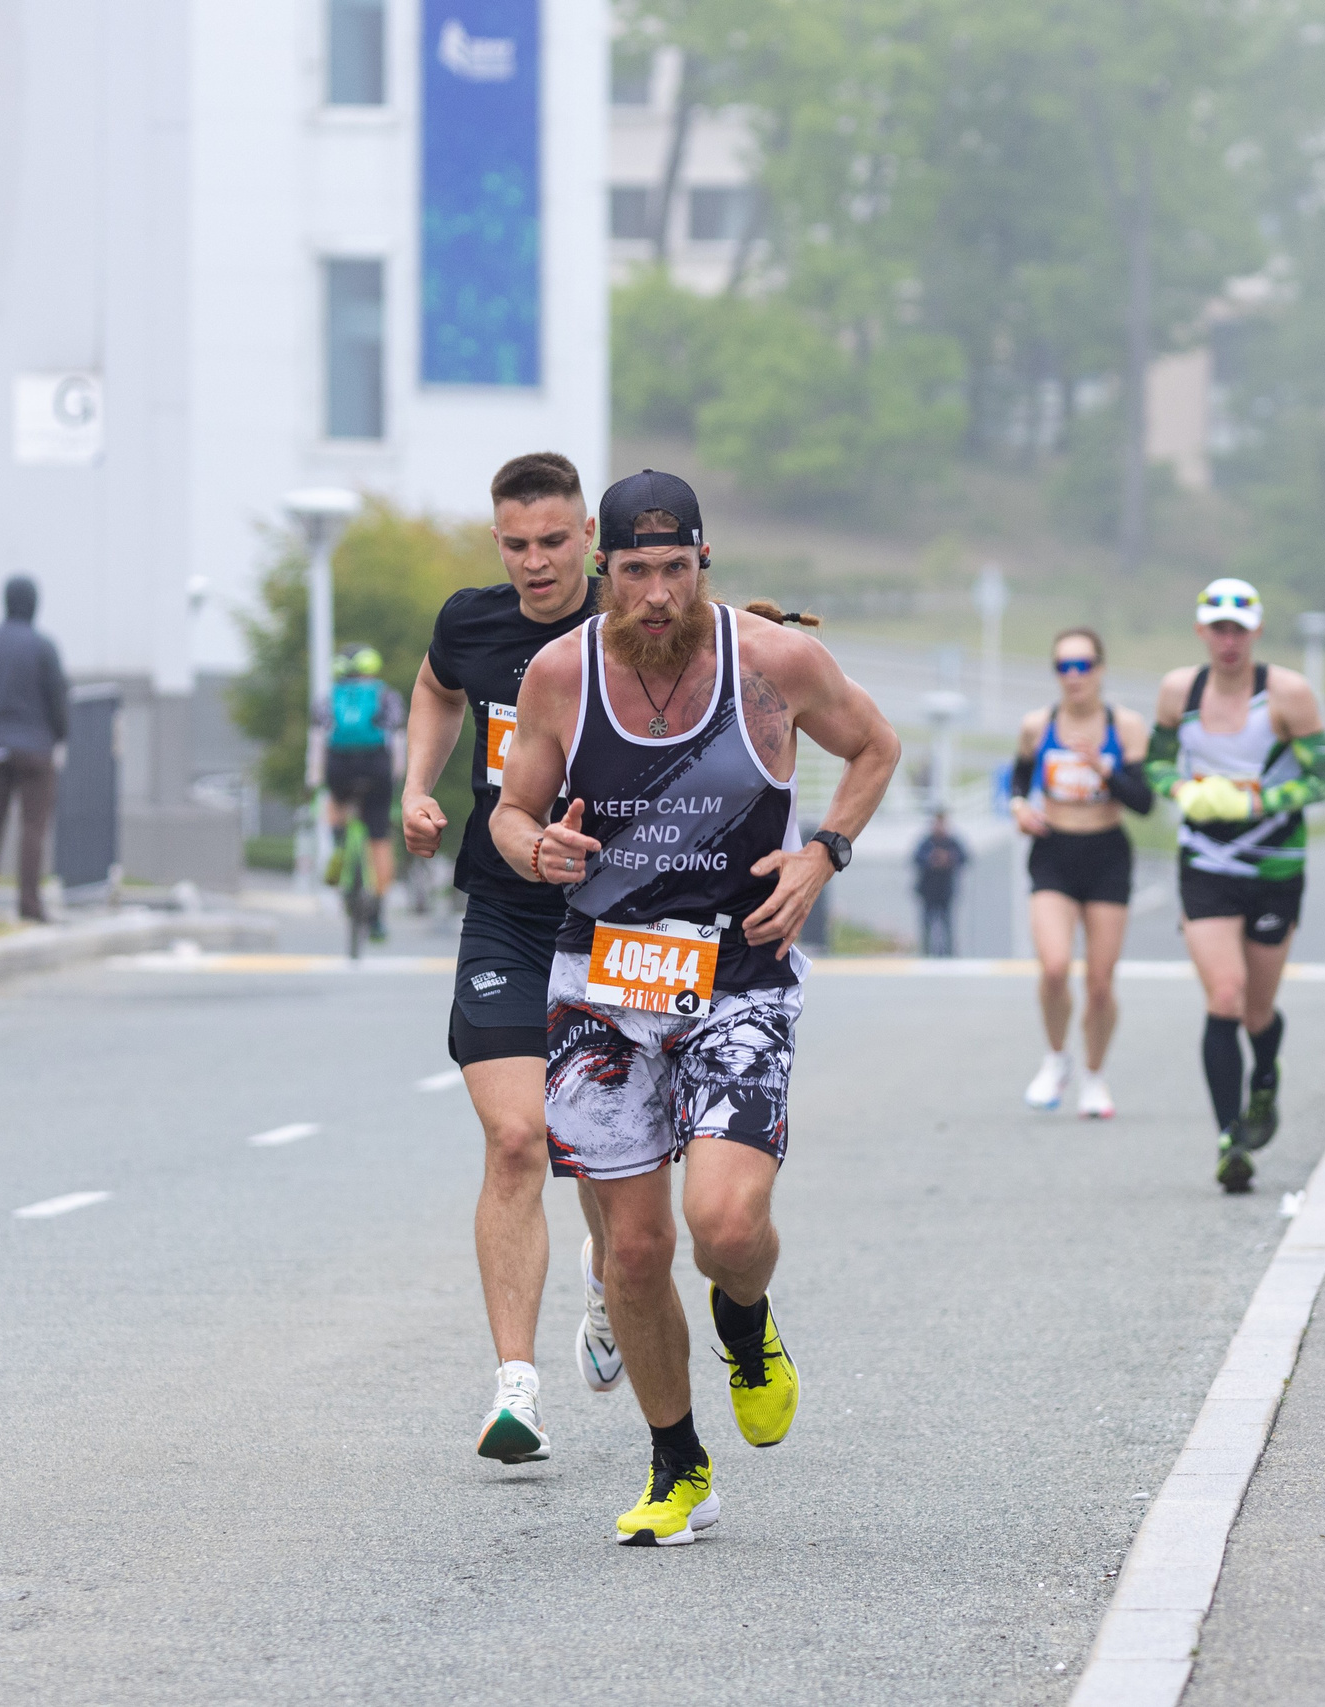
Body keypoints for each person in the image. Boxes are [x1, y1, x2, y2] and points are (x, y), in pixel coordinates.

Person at [490, 469, 900, 1546]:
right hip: (600, 988)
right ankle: (678, 1465)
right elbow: (511, 809)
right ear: (600, 571)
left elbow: (873, 747)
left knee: (723, 1226)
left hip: (738, 976)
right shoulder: (558, 677)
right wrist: (532, 846)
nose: (658, 594)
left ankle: (746, 1320)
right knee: (630, 1253)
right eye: (635, 573)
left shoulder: (771, 664)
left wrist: (822, 854)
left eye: (677, 569)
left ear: (703, 563)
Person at [400, 451, 616, 1466]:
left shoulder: (637, 624)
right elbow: (436, 685)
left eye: (553, 542)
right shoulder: (472, 622)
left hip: (622, 920)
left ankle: (614, 1279)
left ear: (587, 540)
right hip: (505, 911)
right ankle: (515, 1390)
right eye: (516, 545)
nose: (535, 563)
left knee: (616, 1165)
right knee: (517, 1141)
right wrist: (418, 785)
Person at [1145, 578, 1325, 1195]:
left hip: (1276, 867)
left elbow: (1323, 779)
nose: (1228, 640)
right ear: (1202, 631)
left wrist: (1254, 799)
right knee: (1224, 997)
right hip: (1206, 866)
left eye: (1239, 629)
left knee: (1257, 1010)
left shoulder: (1288, 695)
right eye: (1218, 628)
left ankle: (1266, 1076)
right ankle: (1231, 1139)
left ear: (1255, 632)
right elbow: (1156, 762)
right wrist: (1183, 791)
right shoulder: (1180, 691)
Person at [1011, 629, 1155, 1118]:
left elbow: (1144, 801)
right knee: (1053, 968)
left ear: (1100, 669)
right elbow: (1019, 776)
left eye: (1084, 665)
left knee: (1099, 983)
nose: (1075, 677)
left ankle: (1094, 1075)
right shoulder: (1038, 724)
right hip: (1053, 852)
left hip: (1107, 853)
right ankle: (1056, 1059)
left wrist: (1103, 769)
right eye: (1064, 667)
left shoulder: (1126, 725)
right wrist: (1018, 808)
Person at [0, 575, 69, 922]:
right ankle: (29, 903)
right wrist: (58, 736)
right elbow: (58, 699)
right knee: (33, 826)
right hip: (36, 750)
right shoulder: (43, 648)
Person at [325, 643, 406, 937]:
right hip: (376, 768)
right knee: (380, 838)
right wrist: (397, 779)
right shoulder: (387, 696)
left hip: (339, 767)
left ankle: (338, 842)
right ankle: (378, 912)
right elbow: (397, 739)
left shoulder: (329, 698)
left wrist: (316, 782)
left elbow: (318, 741)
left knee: (334, 803)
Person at [911, 810, 970, 957]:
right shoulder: (926, 842)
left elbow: (965, 857)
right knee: (927, 926)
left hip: (945, 892)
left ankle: (949, 956)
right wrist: (932, 859)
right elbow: (916, 858)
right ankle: (925, 955)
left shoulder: (951, 842)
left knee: (947, 926)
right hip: (928, 892)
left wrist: (948, 858)